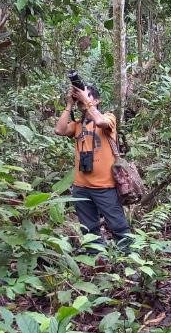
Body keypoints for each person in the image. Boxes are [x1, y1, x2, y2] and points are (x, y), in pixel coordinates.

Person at [54, 85, 133, 253]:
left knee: (119, 226)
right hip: (81, 187)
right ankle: (98, 262)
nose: (82, 99)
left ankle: (129, 263)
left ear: (96, 100)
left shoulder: (108, 117)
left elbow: (100, 121)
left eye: (88, 95)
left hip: (105, 186)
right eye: (80, 97)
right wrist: (69, 104)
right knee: (89, 229)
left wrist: (87, 102)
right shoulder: (77, 125)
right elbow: (59, 130)